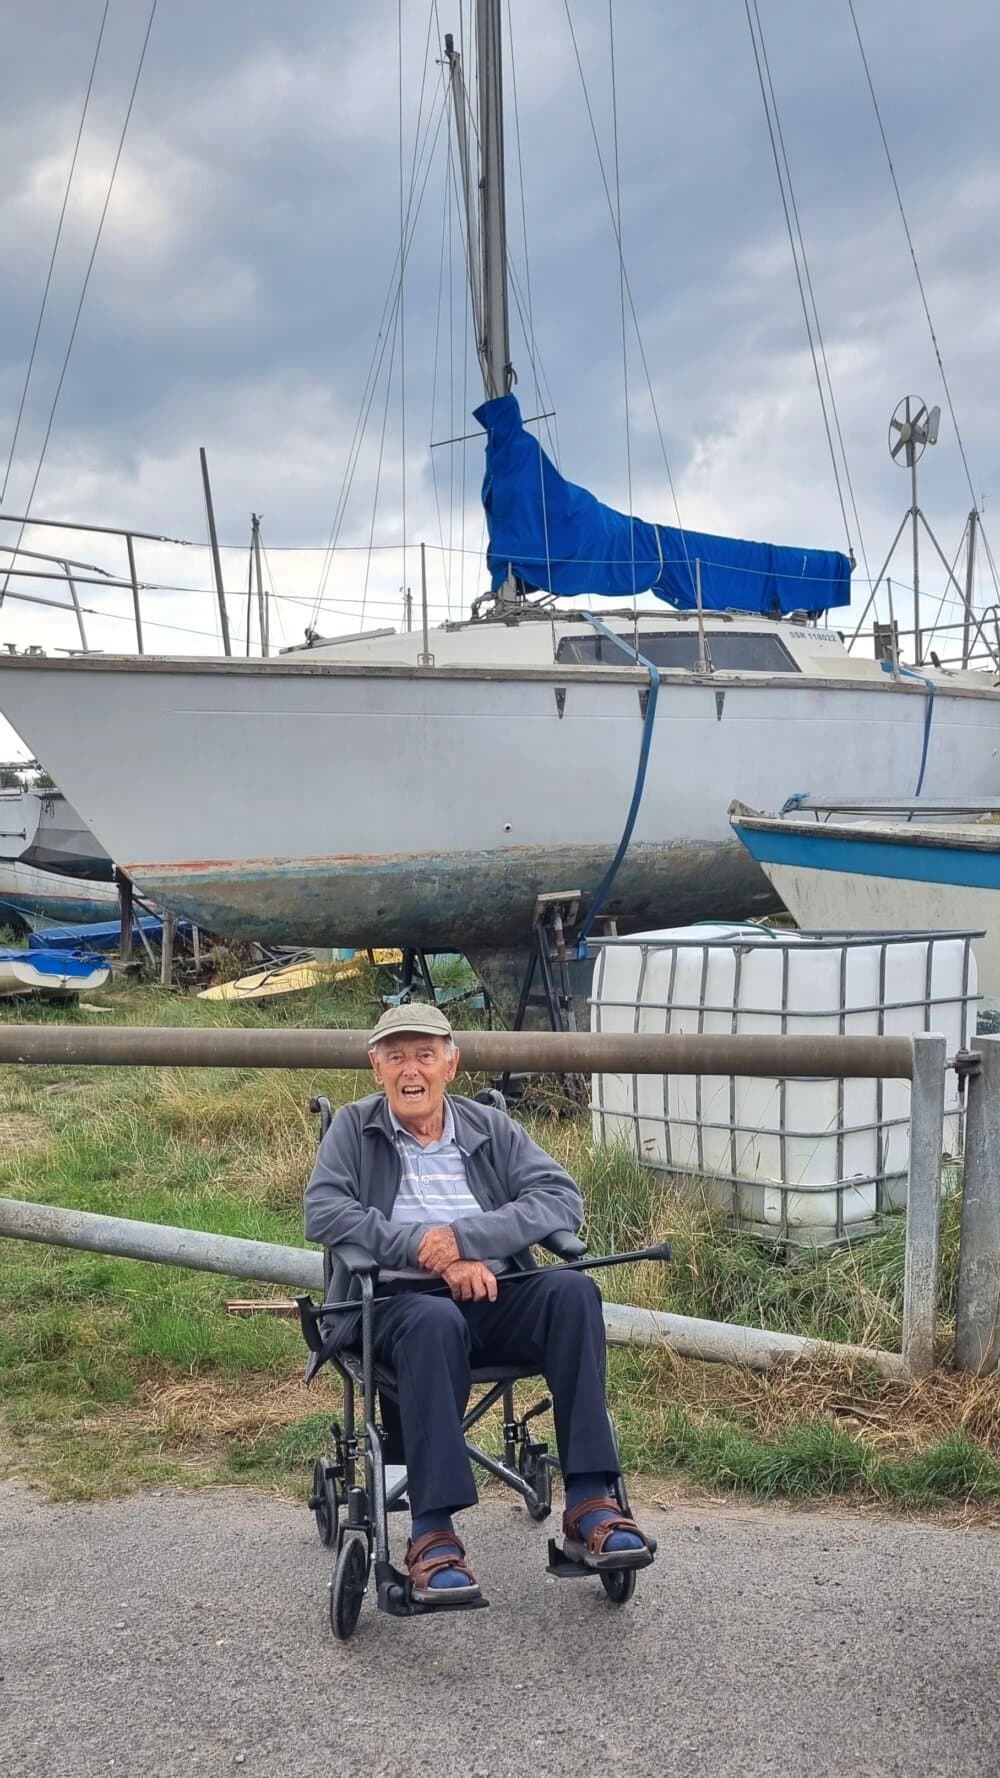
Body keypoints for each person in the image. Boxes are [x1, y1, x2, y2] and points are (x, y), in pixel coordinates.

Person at [304, 1001, 654, 1605]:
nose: (410, 1070)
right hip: (394, 1305)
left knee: (573, 1291)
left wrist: (467, 1240)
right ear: (375, 1067)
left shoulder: (489, 1128)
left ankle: (592, 1502)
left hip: (492, 1293)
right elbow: (326, 1211)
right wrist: (424, 1247)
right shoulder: (352, 1130)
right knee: (434, 1317)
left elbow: (559, 1199)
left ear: (451, 1063)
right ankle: (432, 1535)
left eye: (424, 1055)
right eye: (395, 1057)